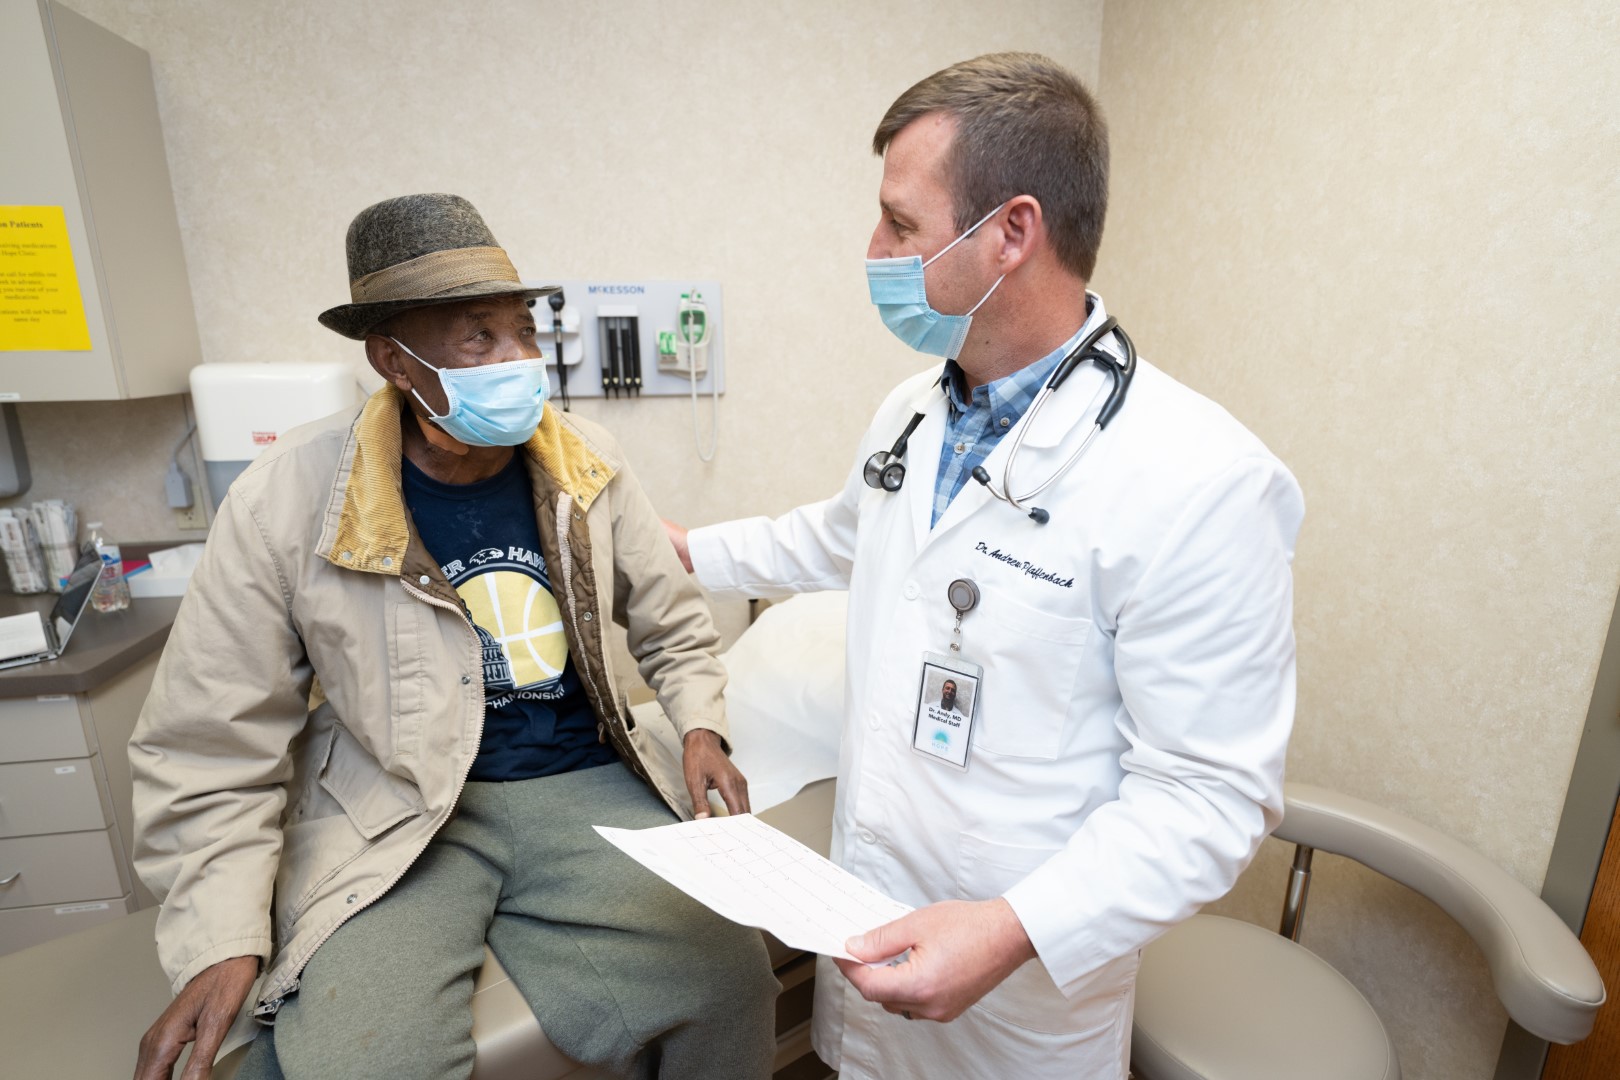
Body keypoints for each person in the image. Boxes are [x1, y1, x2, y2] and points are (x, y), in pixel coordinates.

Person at [665, 53, 1303, 1079]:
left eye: (901, 225)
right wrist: (683, 552)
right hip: (870, 923)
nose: (872, 250)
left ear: (1012, 232)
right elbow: (837, 536)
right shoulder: (916, 410)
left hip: (1025, 1001)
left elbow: (1208, 800)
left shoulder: (1199, 480)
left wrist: (1010, 929)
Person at [129, 193, 777, 1080]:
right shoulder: (286, 499)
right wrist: (219, 936)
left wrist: (700, 723)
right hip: (401, 806)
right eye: (480, 337)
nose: (519, 361)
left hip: (581, 781)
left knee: (731, 982)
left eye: (523, 330)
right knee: (362, 1062)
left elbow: (670, 620)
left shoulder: (585, 461)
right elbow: (208, 744)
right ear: (393, 359)